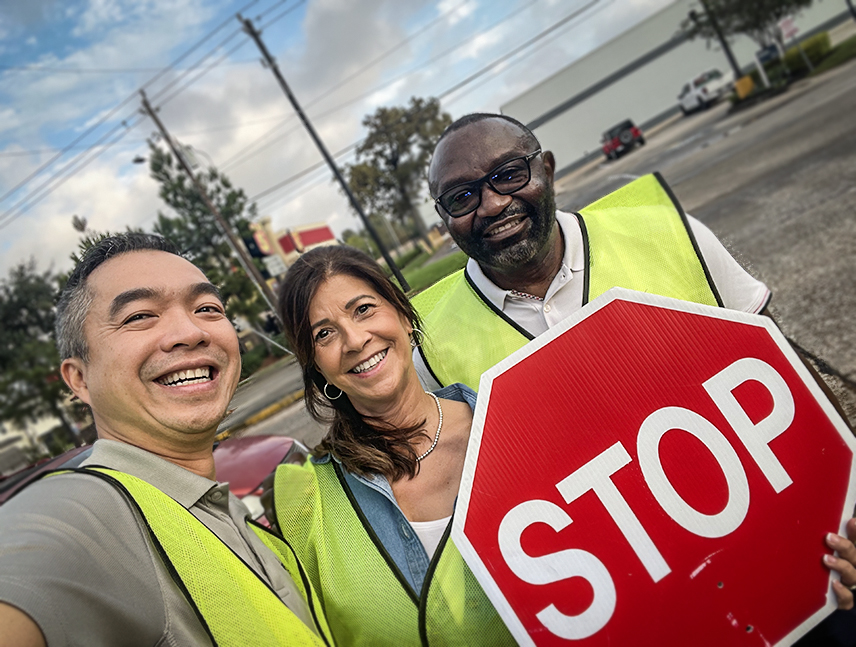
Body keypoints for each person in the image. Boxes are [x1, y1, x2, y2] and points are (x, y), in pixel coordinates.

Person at [0, 233, 332, 647]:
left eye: (207, 308)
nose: (190, 332)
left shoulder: (222, 510)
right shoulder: (92, 515)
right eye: (139, 316)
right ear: (79, 379)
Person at [413, 112, 773, 391]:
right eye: (461, 197)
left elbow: (782, 363)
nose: (491, 204)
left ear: (548, 170)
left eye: (508, 174)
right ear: (444, 217)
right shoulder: (432, 357)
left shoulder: (670, 236)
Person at [270, 244, 516, 646]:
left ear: (402, 314)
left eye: (363, 309)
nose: (354, 339)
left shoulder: (510, 424)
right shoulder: (307, 507)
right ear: (316, 365)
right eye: (324, 333)